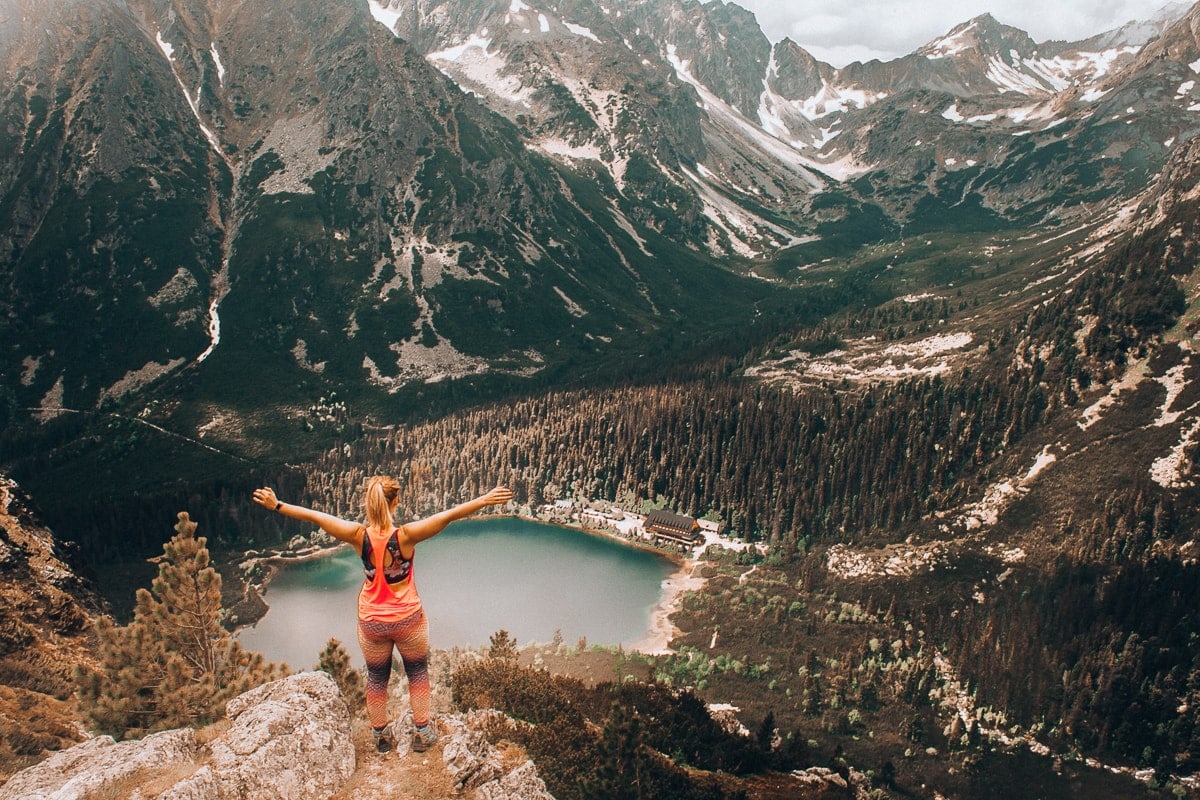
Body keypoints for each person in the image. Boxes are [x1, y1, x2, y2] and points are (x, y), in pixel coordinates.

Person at [252, 479, 514, 754]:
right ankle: (422, 733)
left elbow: (316, 516)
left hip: (371, 622)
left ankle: (381, 737)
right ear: (395, 502)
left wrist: (277, 505)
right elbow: (448, 515)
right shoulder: (406, 536)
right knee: (417, 673)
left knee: (377, 678)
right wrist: (484, 499)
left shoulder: (357, 535)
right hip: (408, 619)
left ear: (368, 503)